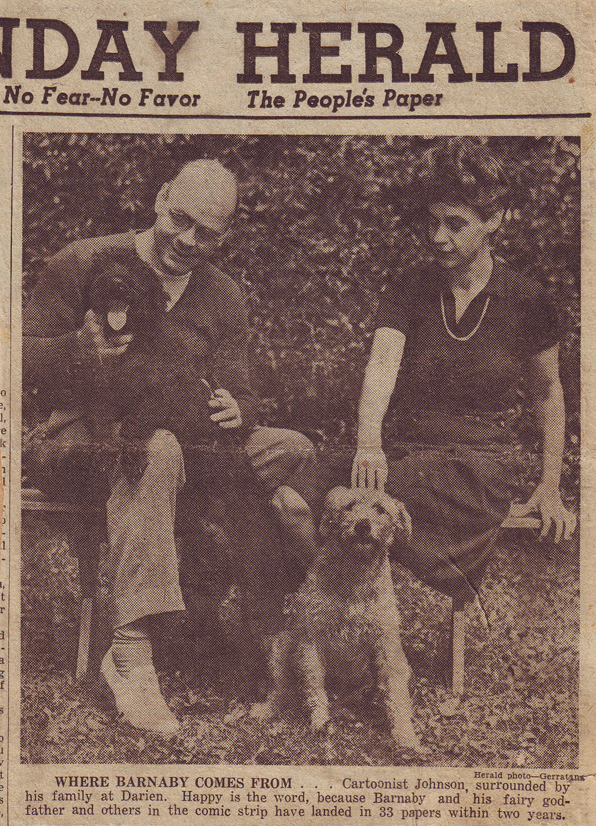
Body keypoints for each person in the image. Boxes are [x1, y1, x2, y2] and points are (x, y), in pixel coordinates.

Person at [23, 159, 318, 735]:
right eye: (179, 220)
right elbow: (18, 355)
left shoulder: (223, 296)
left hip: (189, 439)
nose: (187, 240)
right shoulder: (83, 261)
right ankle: (129, 656)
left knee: (294, 449)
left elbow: (241, 386)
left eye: (205, 233)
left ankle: (288, 630)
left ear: (224, 235)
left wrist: (241, 408)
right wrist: (77, 351)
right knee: (153, 449)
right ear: (160, 200)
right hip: (82, 438)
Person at [352, 139, 576, 601]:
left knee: (326, 489)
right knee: (294, 494)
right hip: (411, 454)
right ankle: (331, 628)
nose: (438, 238)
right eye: (432, 223)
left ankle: (441, 573)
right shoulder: (409, 286)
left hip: (481, 468)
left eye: (455, 225)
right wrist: (368, 443)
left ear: (493, 220)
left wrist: (549, 486)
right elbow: (381, 366)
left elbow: (548, 394)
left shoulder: (527, 300)